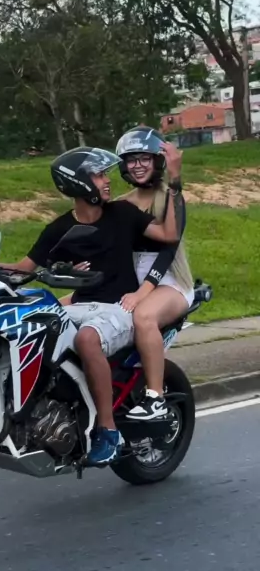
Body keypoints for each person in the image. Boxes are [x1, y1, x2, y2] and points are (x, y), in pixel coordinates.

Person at [0, 147, 179, 466]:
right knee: (26, 327)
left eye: (105, 175)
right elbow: (23, 268)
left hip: (119, 308)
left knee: (86, 338)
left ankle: (108, 431)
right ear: (78, 182)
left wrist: (175, 181)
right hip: (80, 305)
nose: (107, 181)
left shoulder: (123, 213)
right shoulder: (60, 229)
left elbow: (169, 233)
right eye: (99, 175)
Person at [115, 127, 194, 422]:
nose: (137, 165)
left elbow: (168, 251)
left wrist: (143, 291)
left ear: (157, 161)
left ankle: (155, 398)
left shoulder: (170, 198)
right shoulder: (121, 203)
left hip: (170, 281)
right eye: (131, 159)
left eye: (144, 159)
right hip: (132, 279)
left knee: (144, 316)